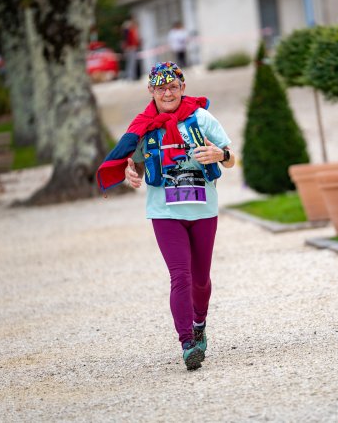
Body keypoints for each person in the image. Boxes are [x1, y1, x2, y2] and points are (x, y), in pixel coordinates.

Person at [96, 61, 235, 371]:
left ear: (183, 87)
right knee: (180, 276)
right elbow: (133, 162)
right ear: (151, 90)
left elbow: (230, 158)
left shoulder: (201, 118)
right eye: (161, 88)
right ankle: (187, 344)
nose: (168, 93)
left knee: (201, 280)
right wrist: (131, 173)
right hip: (164, 213)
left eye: (173, 87)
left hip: (203, 210)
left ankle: (199, 324)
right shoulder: (143, 126)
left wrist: (220, 154)